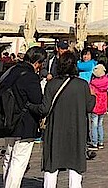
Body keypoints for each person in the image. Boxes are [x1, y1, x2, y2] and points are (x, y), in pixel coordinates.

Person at [0, 46, 49, 188]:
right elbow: (37, 101)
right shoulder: (31, 77)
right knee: (19, 160)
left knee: (8, 156)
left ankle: (6, 183)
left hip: (8, 120)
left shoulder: (12, 71)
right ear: (37, 62)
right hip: (25, 123)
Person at [41, 51, 94, 188]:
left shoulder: (51, 84)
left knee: (52, 165)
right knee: (75, 164)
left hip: (55, 129)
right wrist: (93, 97)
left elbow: (45, 109)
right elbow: (89, 107)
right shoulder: (82, 85)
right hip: (76, 129)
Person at [88, 64, 108, 150]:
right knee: (100, 124)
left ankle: (94, 143)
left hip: (95, 106)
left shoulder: (93, 84)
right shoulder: (106, 81)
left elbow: (90, 94)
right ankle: (101, 142)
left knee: (94, 125)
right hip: (103, 106)